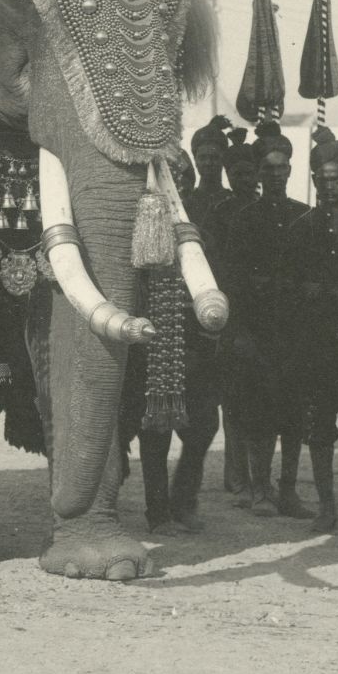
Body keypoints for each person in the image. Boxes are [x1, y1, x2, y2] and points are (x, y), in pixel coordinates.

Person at [118, 150, 220, 534]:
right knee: (154, 432)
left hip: (194, 347)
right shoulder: (138, 227)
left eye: (184, 178)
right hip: (151, 347)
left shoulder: (202, 230)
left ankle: (184, 497)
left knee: (205, 424)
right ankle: (158, 513)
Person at [279, 128, 338, 535]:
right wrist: (301, 289)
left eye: (337, 179)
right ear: (313, 181)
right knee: (319, 429)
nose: (330, 186)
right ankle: (327, 507)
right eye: (323, 179)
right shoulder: (301, 227)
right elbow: (285, 286)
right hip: (314, 343)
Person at [218, 124, 308, 519]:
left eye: (282, 168)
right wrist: (238, 333)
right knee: (259, 414)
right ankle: (259, 489)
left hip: (293, 332)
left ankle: (288, 490)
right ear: (258, 173)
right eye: (268, 169)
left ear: (290, 170)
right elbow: (232, 280)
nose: (275, 174)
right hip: (257, 331)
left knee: (293, 415)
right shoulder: (244, 219)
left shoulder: (303, 216)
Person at [205, 125, 258, 499]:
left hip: (265, 315)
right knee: (236, 400)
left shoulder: (267, 209)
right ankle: (237, 475)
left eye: (248, 172)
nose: (243, 179)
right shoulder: (220, 213)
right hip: (233, 315)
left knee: (262, 398)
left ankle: (259, 476)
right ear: (228, 175)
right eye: (236, 173)